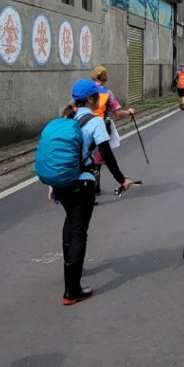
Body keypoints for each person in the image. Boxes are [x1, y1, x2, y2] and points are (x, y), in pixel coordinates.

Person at [54, 79, 134, 304]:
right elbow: (106, 154)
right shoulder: (96, 122)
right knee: (79, 230)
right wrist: (122, 179)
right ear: (90, 99)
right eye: (97, 95)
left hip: (62, 182)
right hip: (82, 182)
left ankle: (69, 274)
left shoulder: (67, 117)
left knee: (70, 223)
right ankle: (72, 290)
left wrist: (53, 186)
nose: (100, 98)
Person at [91, 65, 136, 193]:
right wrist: (129, 112)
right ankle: (94, 187)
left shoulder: (85, 90)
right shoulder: (107, 93)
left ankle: (94, 186)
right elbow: (118, 113)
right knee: (101, 155)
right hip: (100, 128)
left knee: (88, 156)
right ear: (105, 79)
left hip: (83, 127)